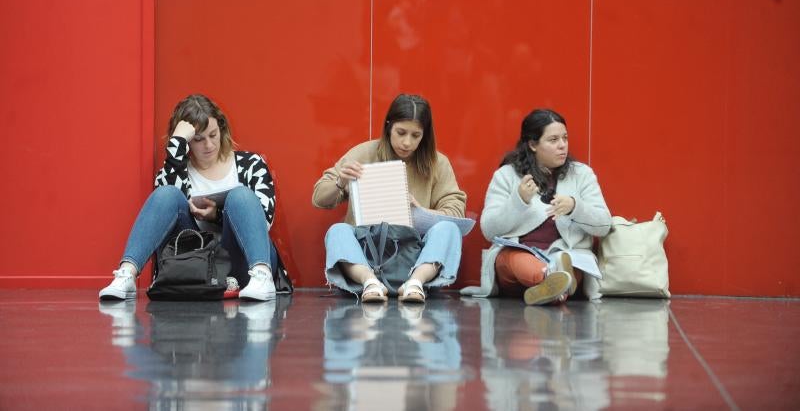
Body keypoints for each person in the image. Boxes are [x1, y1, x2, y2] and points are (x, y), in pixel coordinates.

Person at [99, 94, 286, 302]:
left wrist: (217, 216)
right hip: (194, 264)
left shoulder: (252, 164)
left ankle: (262, 277)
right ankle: (127, 274)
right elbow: (162, 221)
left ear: (222, 129)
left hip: (242, 265)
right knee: (166, 194)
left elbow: (264, 221)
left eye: (213, 135)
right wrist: (176, 144)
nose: (209, 145)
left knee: (241, 196)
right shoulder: (173, 170)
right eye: (198, 139)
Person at [312, 94, 466, 303]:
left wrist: (421, 211)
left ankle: (415, 283)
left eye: (416, 135)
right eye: (401, 132)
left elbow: (456, 210)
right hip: (366, 256)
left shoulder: (438, 162)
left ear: (425, 135)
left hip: (414, 256)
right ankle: (370, 282)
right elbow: (319, 198)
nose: (406, 142)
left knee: (449, 230)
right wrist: (340, 181)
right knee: (337, 231)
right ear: (388, 126)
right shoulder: (364, 153)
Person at [461, 109, 611, 305]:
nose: (562, 146)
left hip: (567, 255)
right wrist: (519, 201)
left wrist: (575, 207)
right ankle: (553, 281)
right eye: (553, 140)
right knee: (515, 259)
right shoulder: (507, 175)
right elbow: (489, 230)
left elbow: (604, 225)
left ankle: (553, 286)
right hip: (519, 261)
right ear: (532, 144)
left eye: (565, 138)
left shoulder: (582, 174)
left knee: (570, 263)